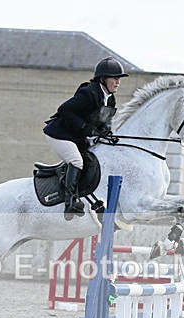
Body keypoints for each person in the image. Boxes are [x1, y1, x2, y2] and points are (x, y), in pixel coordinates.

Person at [43, 57, 128, 219]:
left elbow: (103, 121)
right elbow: (64, 109)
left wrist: (107, 133)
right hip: (60, 134)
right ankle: (70, 203)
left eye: (119, 79)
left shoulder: (110, 99)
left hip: (77, 137)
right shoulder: (88, 93)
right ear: (102, 79)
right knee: (76, 161)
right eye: (114, 78)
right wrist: (84, 127)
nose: (117, 82)